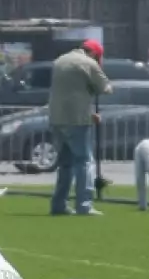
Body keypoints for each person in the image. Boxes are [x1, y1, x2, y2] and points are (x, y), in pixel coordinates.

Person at [47, 40, 111, 216]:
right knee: (83, 162)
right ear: (95, 54)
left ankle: (58, 204)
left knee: (65, 164)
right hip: (76, 121)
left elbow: (70, 93)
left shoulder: (60, 60)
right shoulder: (89, 63)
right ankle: (84, 205)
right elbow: (106, 88)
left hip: (57, 118)